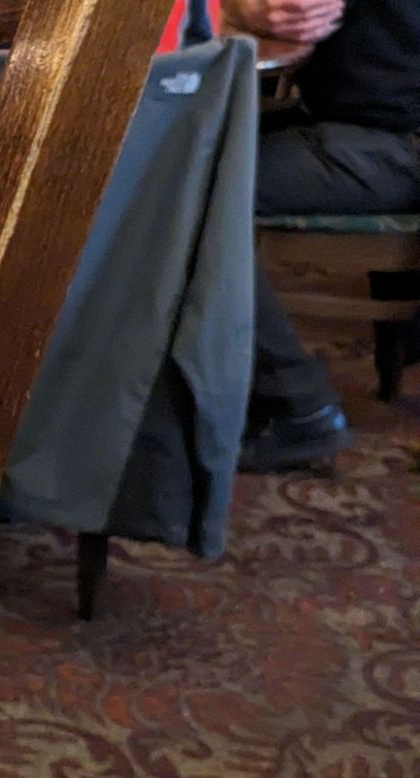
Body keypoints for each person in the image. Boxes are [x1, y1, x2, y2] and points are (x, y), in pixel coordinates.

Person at [228, 0, 419, 471]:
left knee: (185, 182)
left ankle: (297, 402)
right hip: (356, 119)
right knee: (178, 145)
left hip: (396, 142)